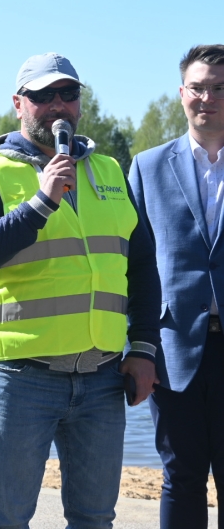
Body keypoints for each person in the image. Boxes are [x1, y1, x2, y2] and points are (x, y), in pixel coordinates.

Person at [0, 52, 161, 528]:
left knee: (95, 519)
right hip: (22, 380)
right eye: (43, 96)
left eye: (68, 94)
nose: (57, 105)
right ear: (18, 104)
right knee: (8, 518)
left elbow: (141, 269)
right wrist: (40, 203)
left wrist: (144, 348)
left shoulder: (110, 171)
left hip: (102, 378)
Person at [129, 44, 224, 528]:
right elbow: (132, 266)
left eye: (219, 88)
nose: (208, 98)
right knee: (181, 478)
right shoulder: (146, 167)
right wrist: (138, 347)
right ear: (181, 93)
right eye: (198, 87)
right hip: (173, 351)